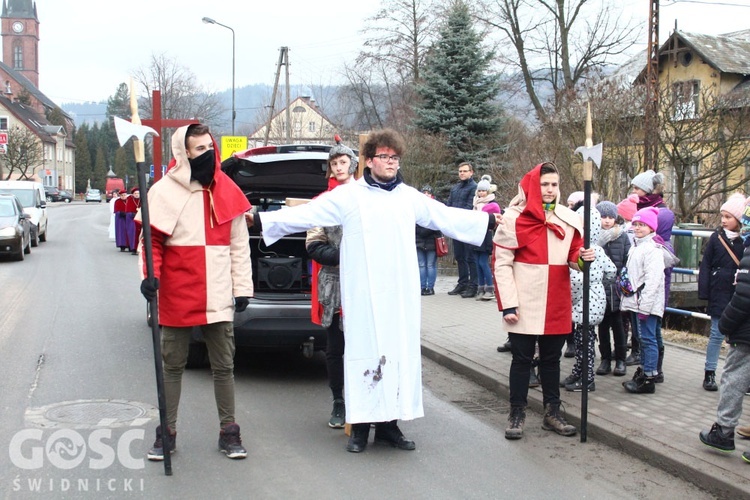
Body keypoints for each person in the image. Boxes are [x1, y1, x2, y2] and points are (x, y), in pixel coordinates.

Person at [248, 129, 498, 453]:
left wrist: (486, 224)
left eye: (395, 157)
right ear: (369, 160)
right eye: (385, 157)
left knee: (395, 355)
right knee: (362, 355)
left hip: (398, 294)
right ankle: (360, 428)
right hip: (363, 293)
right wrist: (261, 219)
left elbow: (444, 216)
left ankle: (388, 427)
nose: (391, 162)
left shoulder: (408, 197)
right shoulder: (349, 195)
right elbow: (307, 214)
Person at [137, 123, 253, 461]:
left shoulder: (227, 189)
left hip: (217, 292)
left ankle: (229, 432)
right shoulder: (164, 191)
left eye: (209, 147)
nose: (208, 154)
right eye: (199, 149)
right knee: (172, 366)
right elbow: (152, 242)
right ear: (183, 153)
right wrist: (150, 276)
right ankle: (166, 434)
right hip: (176, 290)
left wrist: (242, 286)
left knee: (223, 366)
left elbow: (238, 245)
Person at [493, 162, 595, 440]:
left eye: (554, 184)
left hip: (556, 297)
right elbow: (501, 264)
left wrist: (582, 259)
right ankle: (517, 412)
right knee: (522, 359)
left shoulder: (569, 218)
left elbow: (573, 256)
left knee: (551, 360)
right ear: (532, 187)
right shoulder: (514, 218)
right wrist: (509, 304)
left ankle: (552, 412)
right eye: (544, 184)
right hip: (524, 299)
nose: (550, 190)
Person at [305, 139, 358, 428]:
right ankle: (339, 401)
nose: (339, 167)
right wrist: (343, 255)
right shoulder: (322, 203)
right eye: (334, 163)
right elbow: (313, 244)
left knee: (363, 345)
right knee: (336, 347)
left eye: (343, 162)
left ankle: (364, 401)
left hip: (363, 284)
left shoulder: (367, 197)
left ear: (353, 165)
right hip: (334, 282)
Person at [699, 198, 750, 463]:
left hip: (744, 327)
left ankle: (724, 431)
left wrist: (728, 323)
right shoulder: (720, 239)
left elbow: (745, 294)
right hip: (726, 301)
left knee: (733, 377)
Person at [620, 207, 677, 394]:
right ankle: (644, 371)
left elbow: (653, 282)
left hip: (646, 303)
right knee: (643, 339)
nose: (637, 228)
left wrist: (644, 306)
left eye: (642, 225)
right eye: (635, 224)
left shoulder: (652, 250)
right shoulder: (637, 246)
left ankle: (649, 377)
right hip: (637, 302)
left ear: (651, 227)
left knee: (648, 339)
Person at [561, 206, 616, 392]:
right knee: (583, 339)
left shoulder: (585, 251)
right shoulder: (599, 249)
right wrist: (601, 282)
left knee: (585, 343)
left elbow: (576, 281)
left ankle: (587, 379)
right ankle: (578, 371)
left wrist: (571, 299)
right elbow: (611, 271)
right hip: (595, 298)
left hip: (585, 301)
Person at [631, 170, 676, 383]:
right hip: (644, 289)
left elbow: (654, 277)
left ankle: (652, 371)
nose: (634, 192)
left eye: (638, 188)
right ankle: (652, 369)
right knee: (649, 331)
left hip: (651, 290)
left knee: (651, 331)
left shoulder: (660, 215)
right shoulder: (646, 214)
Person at [698, 193, 746, 391]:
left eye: (729, 217)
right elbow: (706, 266)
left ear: (739, 220)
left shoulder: (745, 242)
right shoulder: (716, 239)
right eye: (722, 217)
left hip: (738, 293)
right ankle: (709, 372)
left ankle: (739, 376)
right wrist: (705, 292)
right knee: (716, 334)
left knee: (740, 338)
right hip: (719, 291)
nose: (724, 221)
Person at [595, 200, 631, 377]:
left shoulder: (622, 237)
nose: (607, 221)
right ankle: (605, 359)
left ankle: (621, 360)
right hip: (600, 288)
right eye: (603, 217)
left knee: (618, 326)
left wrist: (621, 281)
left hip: (615, 289)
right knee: (602, 326)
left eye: (611, 217)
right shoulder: (595, 237)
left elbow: (626, 261)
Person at [446, 162, 479, 298]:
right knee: (459, 257)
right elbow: (449, 205)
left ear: (471, 172)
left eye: (465, 171)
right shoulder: (455, 188)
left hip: (469, 227)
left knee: (471, 257)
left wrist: (455, 214)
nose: (462, 173)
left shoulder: (475, 187)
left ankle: (473, 285)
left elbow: (469, 207)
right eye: (460, 171)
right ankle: (463, 283)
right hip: (457, 227)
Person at [472, 175, 501, 301]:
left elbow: (493, 220)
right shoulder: (475, 203)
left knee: (483, 262)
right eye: (479, 190)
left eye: (483, 190)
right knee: (477, 264)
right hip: (475, 234)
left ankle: (490, 288)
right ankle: (481, 288)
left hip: (486, 235)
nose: (481, 193)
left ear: (488, 191)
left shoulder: (492, 205)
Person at [416, 186, 442, 296]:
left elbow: (437, 224)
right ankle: (422, 287)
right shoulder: (416, 207)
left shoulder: (435, 207)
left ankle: (430, 287)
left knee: (430, 265)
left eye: (428, 192)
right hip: (419, 240)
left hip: (431, 241)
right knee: (421, 265)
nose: (426, 194)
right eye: (424, 192)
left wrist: (426, 231)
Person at [125, 187, 141, 254]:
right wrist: (132, 214)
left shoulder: (142, 200)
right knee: (133, 233)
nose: (137, 195)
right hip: (132, 221)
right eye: (135, 193)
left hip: (140, 220)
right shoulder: (130, 200)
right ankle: (133, 248)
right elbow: (128, 211)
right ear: (133, 194)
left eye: (138, 193)